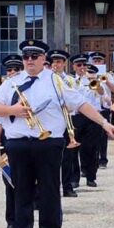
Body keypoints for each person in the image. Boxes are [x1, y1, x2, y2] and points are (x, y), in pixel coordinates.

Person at [0, 39, 114, 228]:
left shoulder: (56, 81)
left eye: (34, 57)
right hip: (18, 143)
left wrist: (104, 123)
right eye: (26, 57)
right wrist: (13, 110)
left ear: (43, 59)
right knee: (21, 190)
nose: (29, 61)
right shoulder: (12, 82)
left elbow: (81, 104)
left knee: (49, 189)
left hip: (48, 142)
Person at [0, 54, 23, 228]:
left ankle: (24, 218)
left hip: (27, 138)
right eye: (9, 70)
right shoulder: (4, 90)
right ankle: (11, 220)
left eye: (16, 70)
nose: (12, 73)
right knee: (9, 179)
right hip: (7, 141)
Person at [48, 49, 79, 198]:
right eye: (53, 62)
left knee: (68, 157)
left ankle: (67, 186)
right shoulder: (47, 79)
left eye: (59, 62)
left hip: (67, 119)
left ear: (64, 64)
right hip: (51, 120)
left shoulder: (70, 80)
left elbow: (74, 98)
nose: (56, 65)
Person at [71, 55, 102, 189]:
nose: (82, 68)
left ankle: (91, 176)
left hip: (92, 117)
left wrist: (95, 81)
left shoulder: (92, 79)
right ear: (73, 67)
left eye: (84, 65)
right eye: (79, 65)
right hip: (76, 116)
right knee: (73, 149)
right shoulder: (70, 80)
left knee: (91, 148)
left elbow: (101, 93)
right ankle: (74, 179)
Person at [89, 52, 114, 168]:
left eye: (99, 61)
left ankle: (103, 159)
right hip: (91, 107)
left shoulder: (108, 75)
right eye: (95, 61)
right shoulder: (88, 73)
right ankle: (92, 159)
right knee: (91, 134)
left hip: (104, 107)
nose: (97, 62)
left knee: (103, 135)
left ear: (103, 62)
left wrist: (106, 81)